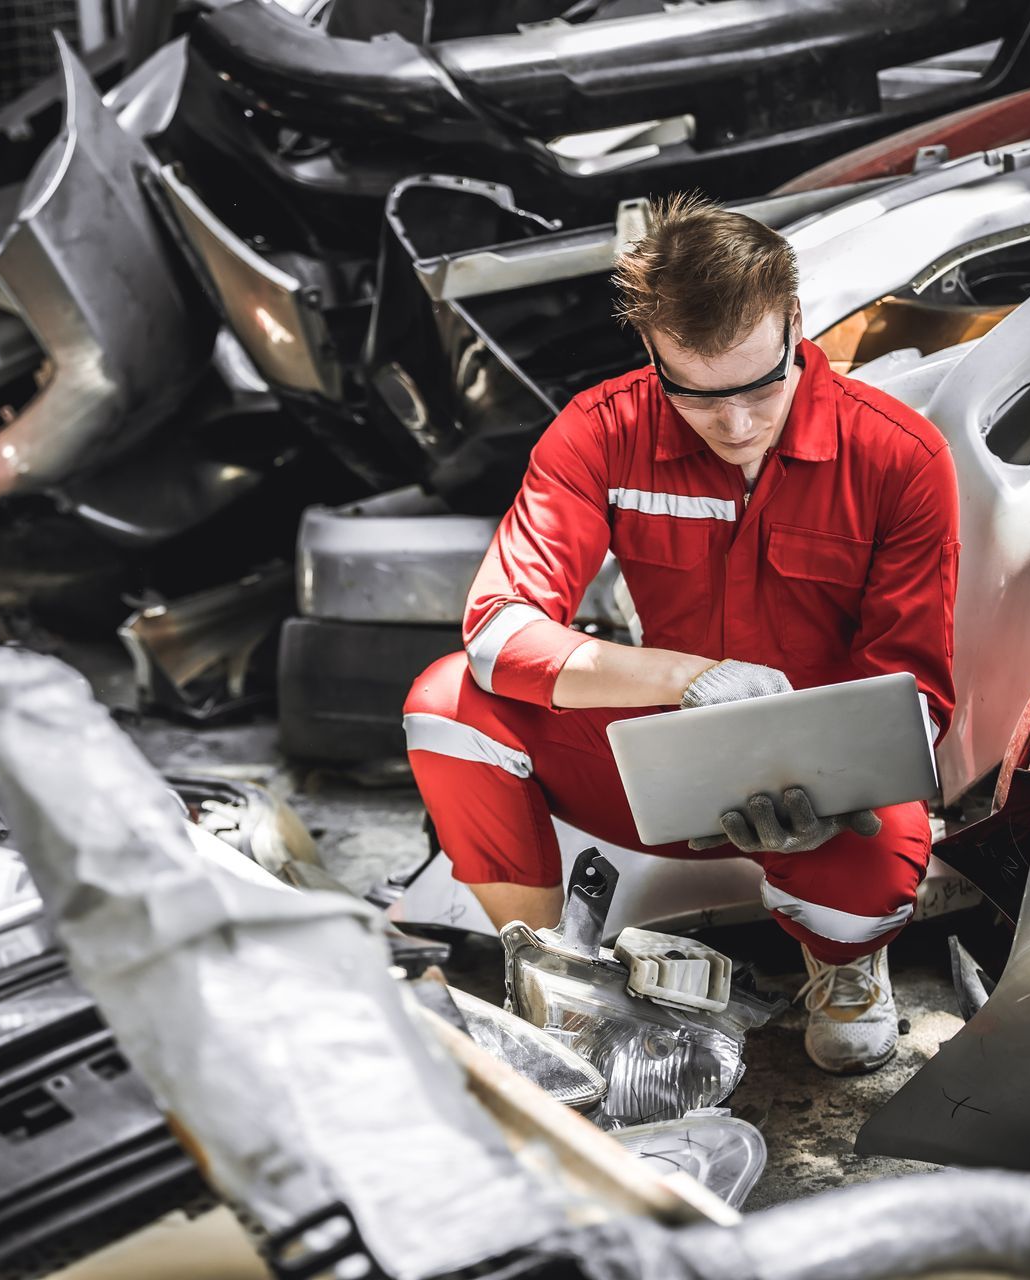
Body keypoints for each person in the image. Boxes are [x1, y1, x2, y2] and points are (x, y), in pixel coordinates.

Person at [402, 193, 960, 1075]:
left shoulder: (899, 457)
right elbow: (498, 636)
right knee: (448, 705)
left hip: (824, 787)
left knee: (868, 897)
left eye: (759, 385)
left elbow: (916, 688)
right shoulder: (601, 432)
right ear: (653, 354)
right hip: (662, 759)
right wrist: (687, 679)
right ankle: (552, 976)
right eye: (698, 397)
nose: (736, 426)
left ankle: (846, 964)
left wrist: (841, 790)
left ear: (796, 324)